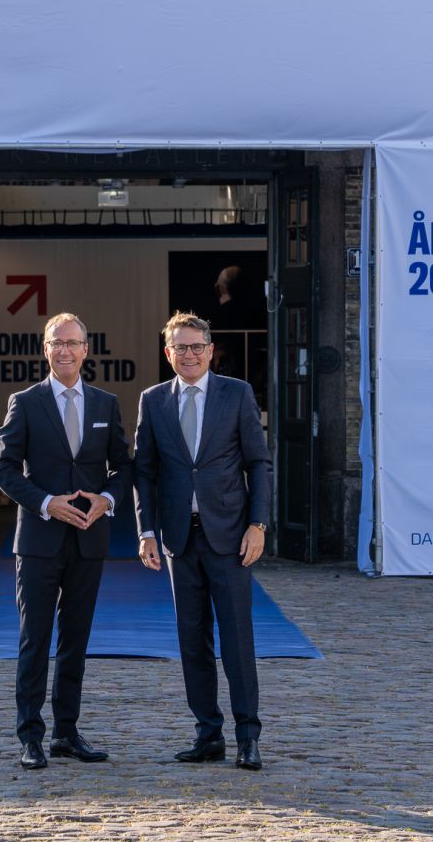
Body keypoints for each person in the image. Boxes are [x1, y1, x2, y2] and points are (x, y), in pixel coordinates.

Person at [0, 312, 132, 770]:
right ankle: (30, 736)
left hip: (88, 541)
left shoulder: (106, 404)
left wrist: (107, 499)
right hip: (38, 541)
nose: (65, 350)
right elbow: (2, 468)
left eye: (73, 342)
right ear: (45, 349)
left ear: (86, 350)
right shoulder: (25, 402)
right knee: (34, 639)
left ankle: (66, 733)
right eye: (57, 342)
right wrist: (46, 502)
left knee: (75, 640)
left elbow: (123, 466)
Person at [133, 312, 272, 771]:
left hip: (231, 537)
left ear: (210, 351)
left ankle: (248, 736)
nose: (189, 355)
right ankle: (208, 734)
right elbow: (145, 472)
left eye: (197, 347)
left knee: (237, 640)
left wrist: (258, 524)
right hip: (179, 540)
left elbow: (258, 463)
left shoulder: (237, 393)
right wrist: (146, 531)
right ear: (167, 353)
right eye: (180, 348)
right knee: (192, 640)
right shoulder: (153, 400)